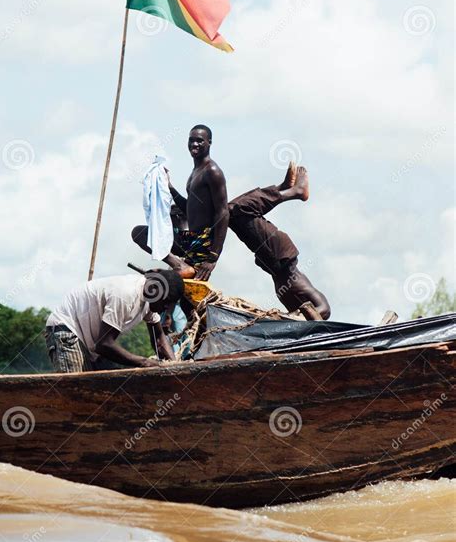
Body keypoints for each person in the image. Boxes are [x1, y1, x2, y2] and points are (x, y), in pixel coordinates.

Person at [228, 162, 331, 319]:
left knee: (230, 213)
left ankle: (284, 188)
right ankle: (293, 191)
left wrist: (294, 316)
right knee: (237, 209)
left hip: (272, 256)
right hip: (278, 251)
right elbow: (326, 309)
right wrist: (302, 315)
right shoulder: (296, 281)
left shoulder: (287, 289)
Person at [132, 125, 229, 281]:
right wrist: (169, 188)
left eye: (200, 141)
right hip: (188, 239)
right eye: (191, 140)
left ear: (209, 143)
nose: (194, 144)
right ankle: (179, 264)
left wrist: (213, 257)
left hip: (202, 242)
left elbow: (223, 213)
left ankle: (181, 268)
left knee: (181, 287)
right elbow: (190, 210)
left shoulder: (212, 171)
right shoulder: (195, 171)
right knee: (139, 233)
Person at [45, 270, 184, 373]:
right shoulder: (126, 294)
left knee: (109, 390)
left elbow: (159, 339)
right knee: (77, 393)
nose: (166, 308)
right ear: (155, 289)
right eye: (166, 302)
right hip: (66, 329)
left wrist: (175, 366)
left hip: (92, 343)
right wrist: (145, 362)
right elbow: (104, 344)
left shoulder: (152, 301)